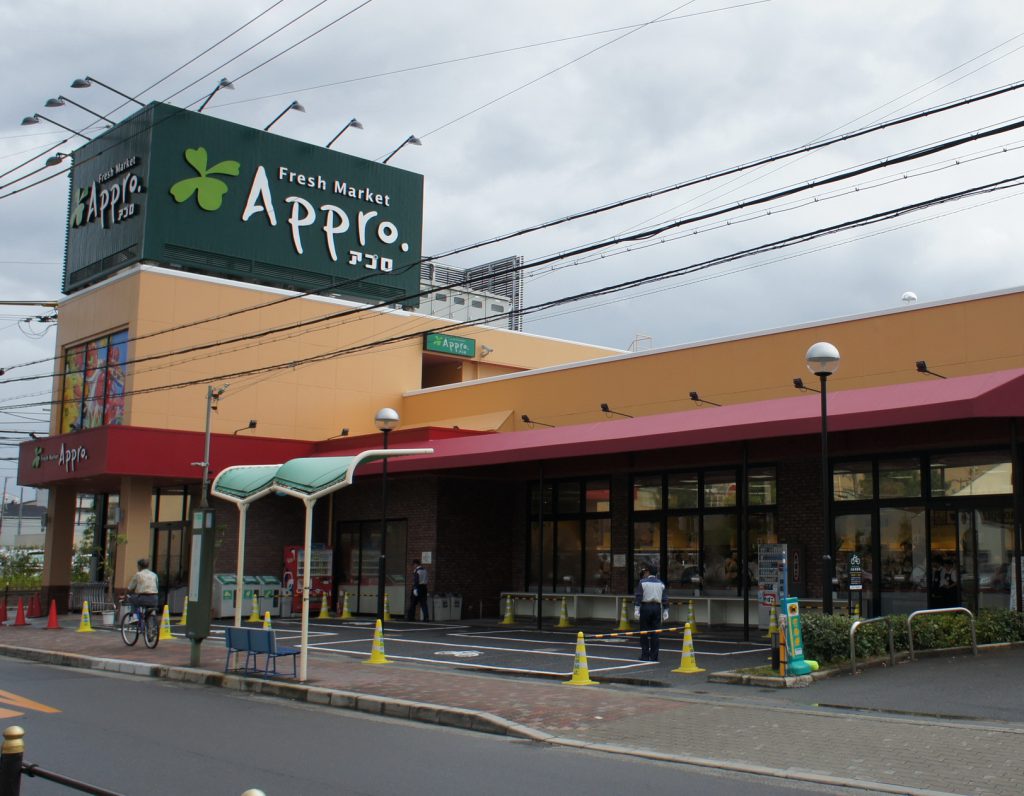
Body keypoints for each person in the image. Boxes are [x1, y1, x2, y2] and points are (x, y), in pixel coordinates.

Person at [634, 564, 669, 662]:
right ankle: (654, 656)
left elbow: (639, 596)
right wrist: (666, 610)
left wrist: (636, 609)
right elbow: (665, 598)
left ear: (648, 572)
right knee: (655, 632)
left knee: (644, 632)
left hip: (645, 607)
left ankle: (645, 655)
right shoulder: (661, 583)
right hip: (657, 608)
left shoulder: (642, 582)